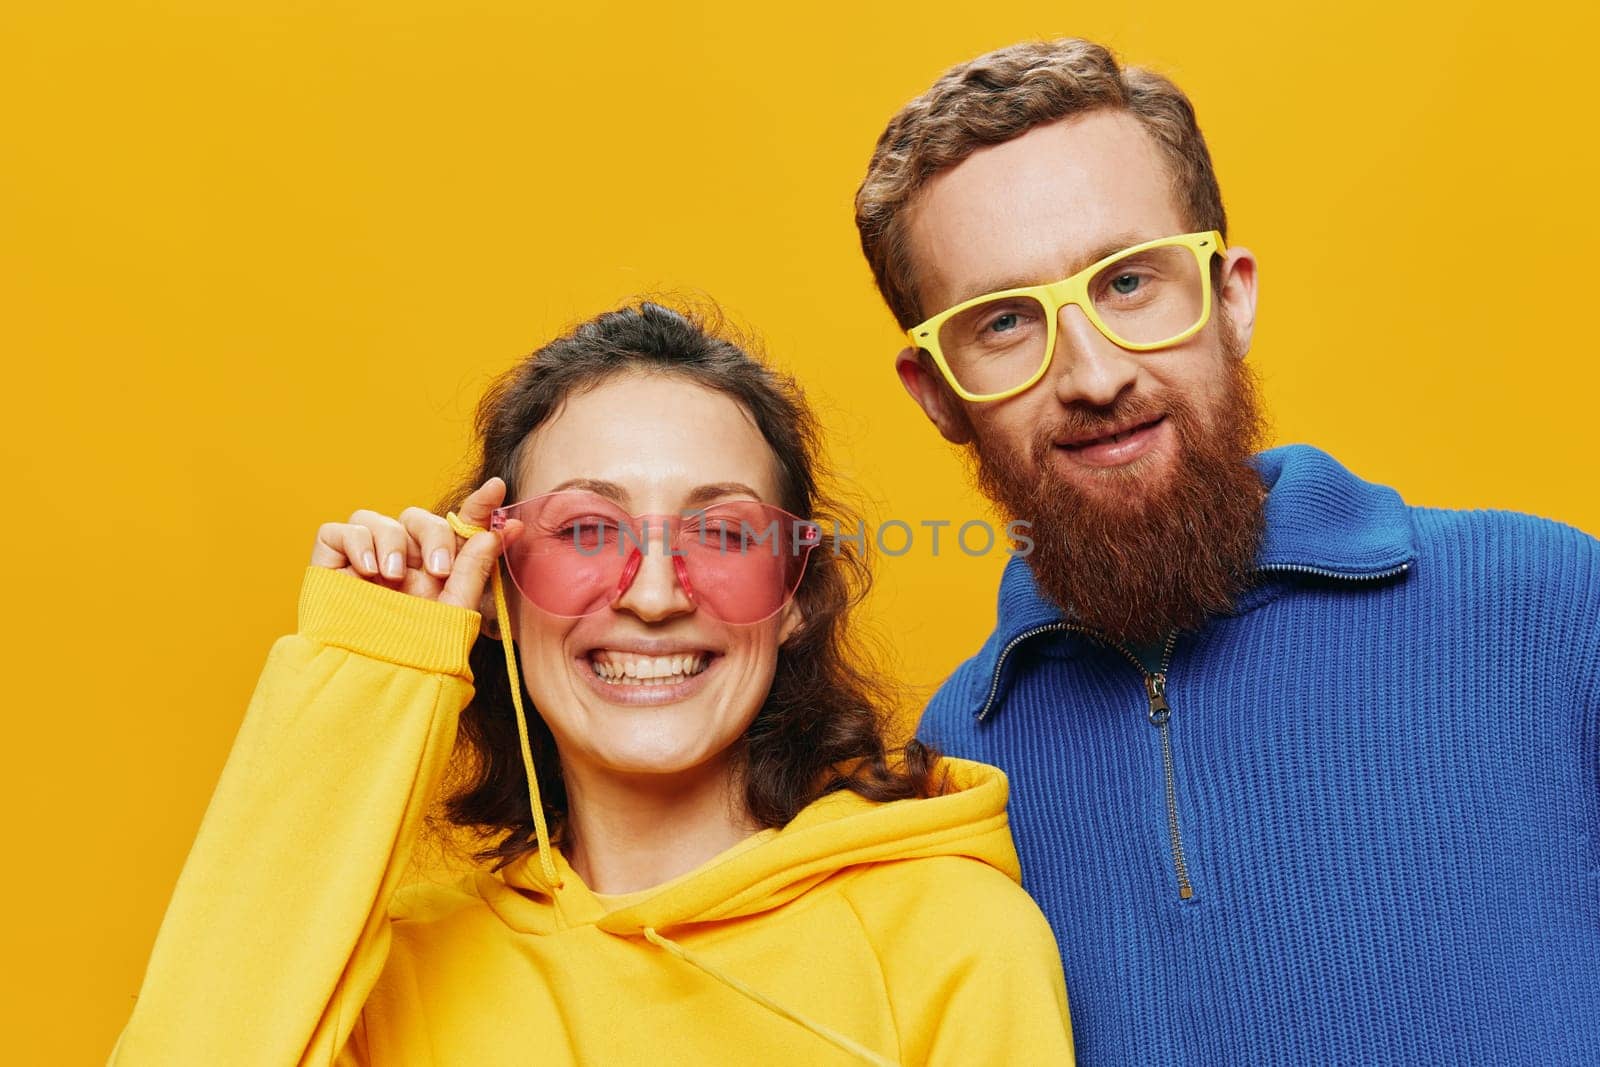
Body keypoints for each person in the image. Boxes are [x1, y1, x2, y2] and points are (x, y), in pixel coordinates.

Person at [854, 37, 1600, 1066]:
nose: (1092, 373)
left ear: (1231, 295)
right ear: (937, 390)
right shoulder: (957, 763)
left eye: (1127, 284)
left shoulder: (1552, 608)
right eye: (1004, 321)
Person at [110, 303, 1074, 1065]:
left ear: (795, 596)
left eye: (725, 533)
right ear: (496, 588)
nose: (654, 594)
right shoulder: (388, 976)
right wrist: (374, 664)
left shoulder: (952, 940)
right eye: (584, 532)